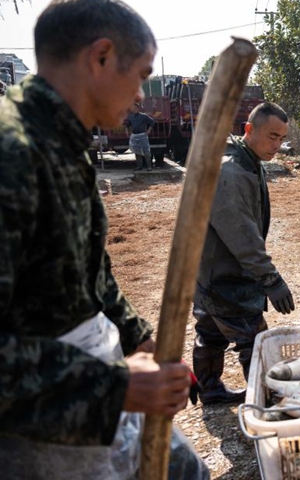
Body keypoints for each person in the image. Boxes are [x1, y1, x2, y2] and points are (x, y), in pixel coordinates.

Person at [0, 1, 207, 478]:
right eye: (140, 75)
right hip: (38, 432)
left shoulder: (64, 143)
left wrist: (138, 336)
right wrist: (112, 388)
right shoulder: (14, 155)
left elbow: (88, 271)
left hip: (92, 376)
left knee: (184, 470)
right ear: (101, 57)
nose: (140, 97)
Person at [192, 102, 296, 404]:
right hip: (224, 277)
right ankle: (268, 407)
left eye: (281, 138)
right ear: (249, 130)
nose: (276, 145)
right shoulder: (232, 172)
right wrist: (271, 280)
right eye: (271, 136)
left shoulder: (247, 161)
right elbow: (243, 237)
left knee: (210, 330)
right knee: (255, 341)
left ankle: (209, 388)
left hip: (213, 271)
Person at [124, 102, 155, 170]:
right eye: (133, 108)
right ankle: (139, 166)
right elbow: (126, 125)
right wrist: (127, 132)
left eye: (136, 108)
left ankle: (149, 166)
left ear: (138, 108)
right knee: (137, 151)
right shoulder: (131, 117)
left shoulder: (144, 116)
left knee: (146, 151)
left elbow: (152, 121)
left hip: (143, 135)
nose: (134, 109)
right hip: (135, 136)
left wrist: (149, 130)